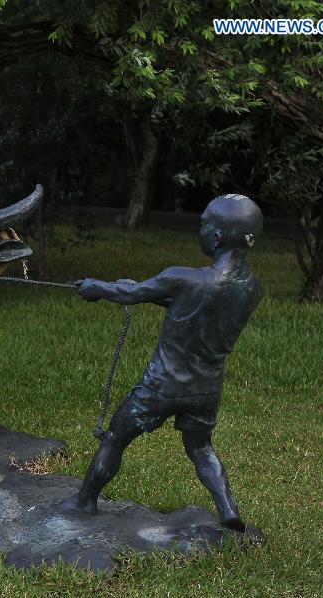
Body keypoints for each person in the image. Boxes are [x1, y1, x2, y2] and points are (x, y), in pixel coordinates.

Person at [64, 194, 263, 532]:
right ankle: (227, 507)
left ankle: (84, 501)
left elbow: (131, 294)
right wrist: (143, 291)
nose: (199, 230)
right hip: (206, 388)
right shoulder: (252, 288)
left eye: (203, 225)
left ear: (215, 238)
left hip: (162, 386)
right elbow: (193, 309)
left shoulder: (182, 277)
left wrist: (97, 287)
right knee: (201, 447)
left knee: (115, 437)